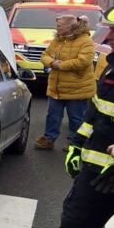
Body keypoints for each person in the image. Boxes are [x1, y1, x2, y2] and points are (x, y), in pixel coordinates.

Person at [20, 6, 114, 228]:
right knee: (74, 225)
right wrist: (77, 144)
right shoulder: (113, 68)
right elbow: (97, 112)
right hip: (97, 172)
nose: (109, 37)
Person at [35, 14, 96, 150]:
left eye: (59, 26)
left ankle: (74, 142)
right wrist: (52, 62)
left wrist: (60, 65)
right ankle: (49, 139)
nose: (56, 28)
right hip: (56, 87)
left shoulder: (86, 41)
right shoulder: (57, 40)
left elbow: (84, 61)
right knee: (53, 115)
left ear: (70, 27)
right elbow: (45, 55)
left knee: (76, 118)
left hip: (78, 88)